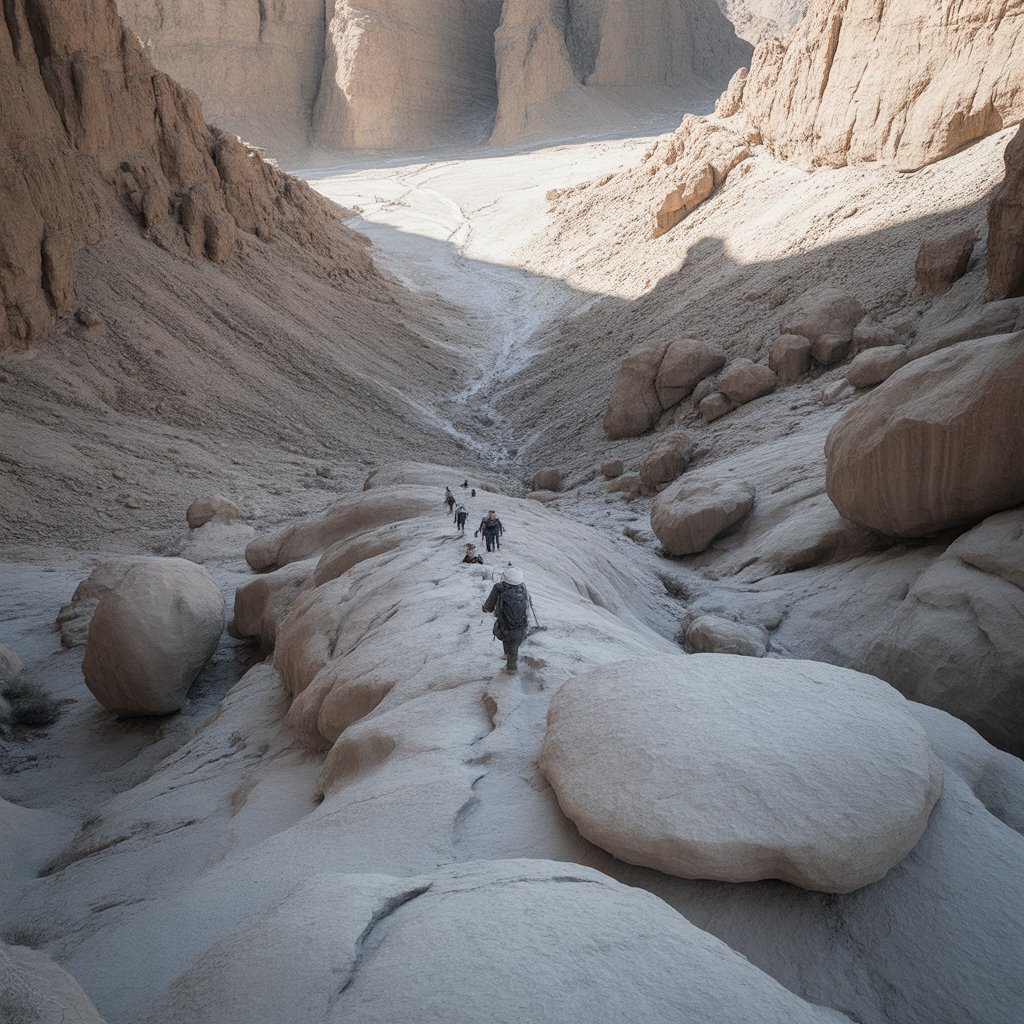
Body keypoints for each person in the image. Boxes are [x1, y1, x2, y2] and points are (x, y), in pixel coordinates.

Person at [483, 566, 531, 673]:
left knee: (507, 638)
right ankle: (509, 657)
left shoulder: (499, 588)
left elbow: (489, 606)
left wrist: (485, 609)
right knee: (514, 642)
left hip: (505, 624)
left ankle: (511, 669)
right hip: (522, 624)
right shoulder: (523, 587)